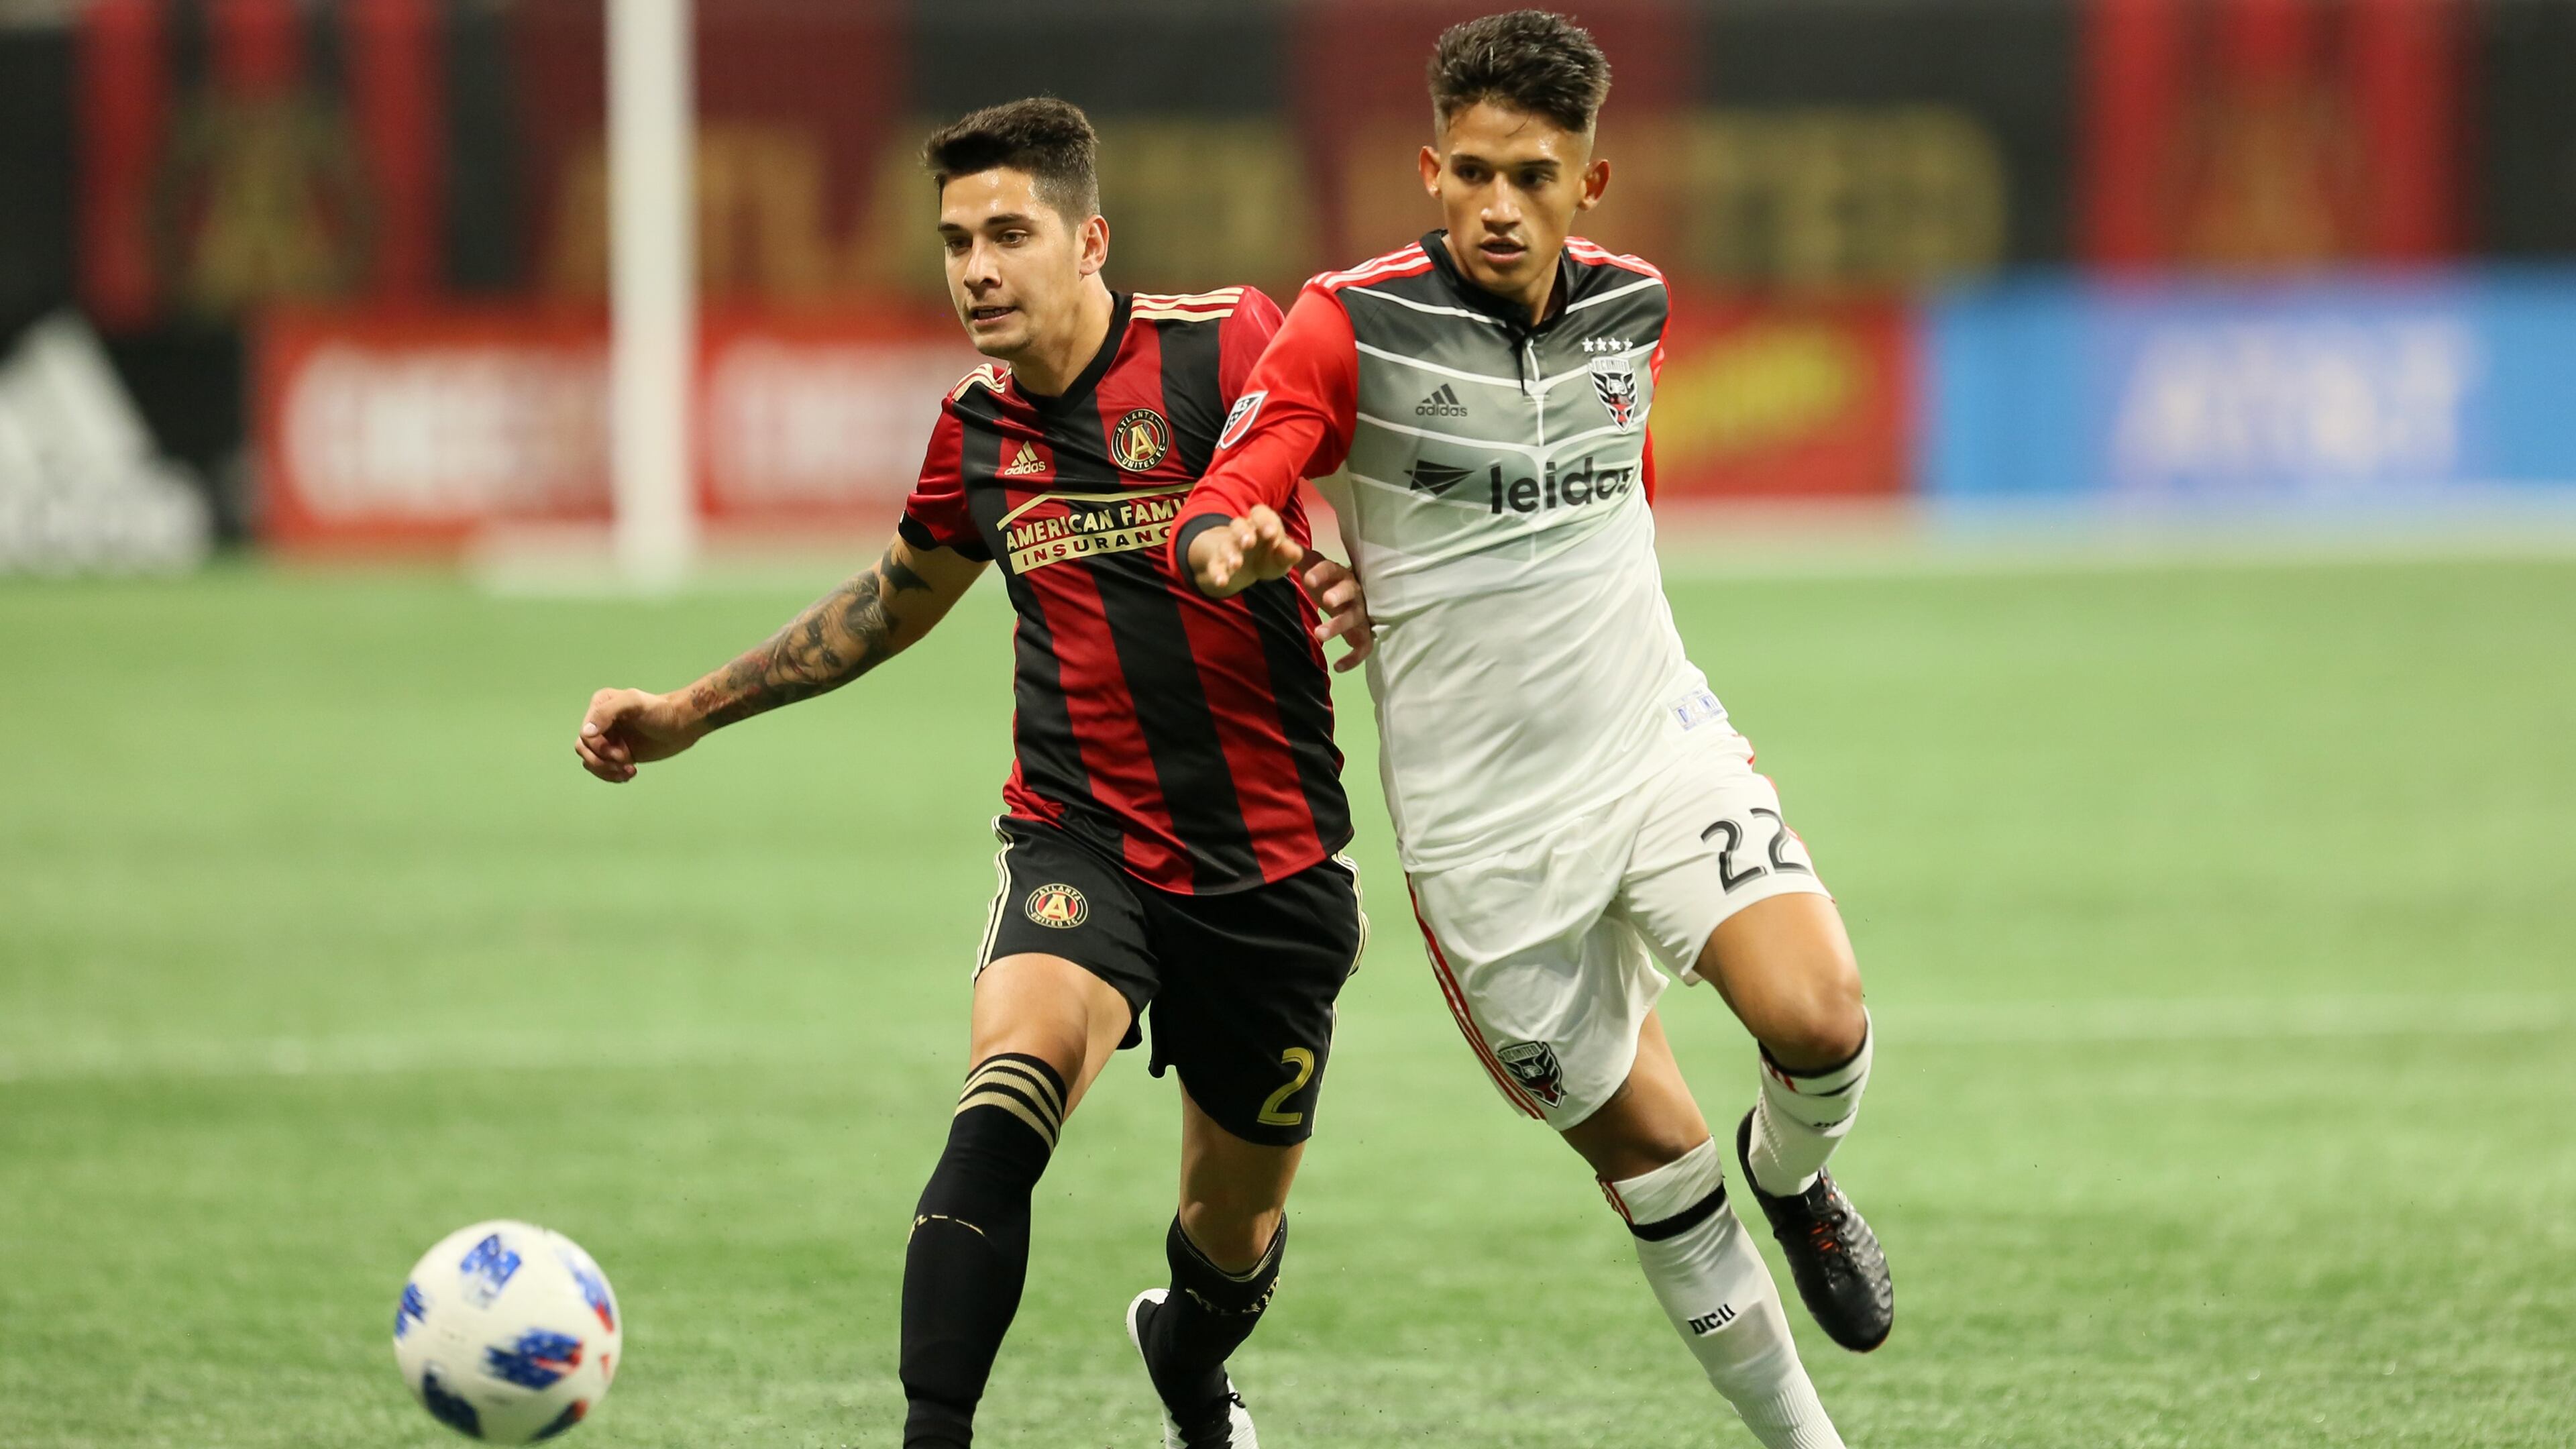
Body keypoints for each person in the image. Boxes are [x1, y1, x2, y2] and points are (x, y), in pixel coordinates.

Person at [575, 98, 1372, 1449]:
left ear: (1090, 241)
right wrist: (687, 714)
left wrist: (1360, 564)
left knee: (1230, 1232)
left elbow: (1361, 450)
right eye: (956, 243)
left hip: (1272, 867)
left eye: (1009, 235)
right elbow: (887, 607)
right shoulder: (976, 434)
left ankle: (1187, 1362)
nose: (977, 270)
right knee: (1009, 1091)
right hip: (1082, 838)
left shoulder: (1224, 342)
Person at [1171, 13, 1888, 1447]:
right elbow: (1224, 496)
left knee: (1823, 1021)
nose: (1500, 205)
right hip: (1485, 837)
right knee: (1663, 1171)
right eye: (1475, 173)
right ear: (1430, 169)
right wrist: (1237, 546)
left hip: (1654, 750)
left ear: (1591, 183)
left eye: (1535, 177)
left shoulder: (1637, 310)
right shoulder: (1349, 324)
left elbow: (1611, 506)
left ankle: (1797, 1172)